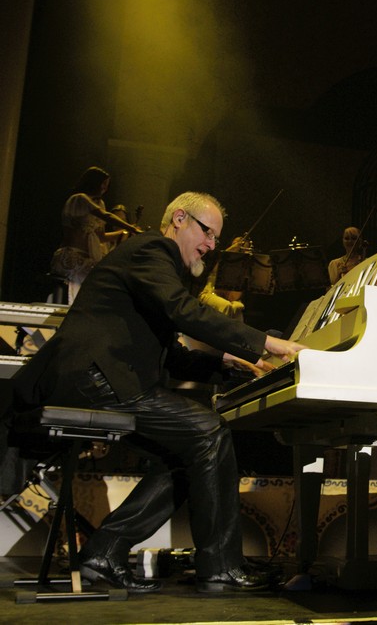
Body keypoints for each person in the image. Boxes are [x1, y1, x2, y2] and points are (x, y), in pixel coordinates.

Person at [12, 191, 307, 594]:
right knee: (209, 431)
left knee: (189, 451)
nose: (211, 245)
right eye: (208, 232)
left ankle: (104, 553)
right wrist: (268, 343)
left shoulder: (155, 267)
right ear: (180, 219)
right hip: (96, 377)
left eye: (216, 238)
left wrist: (225, 363)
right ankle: (222, 566)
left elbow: (170, 356)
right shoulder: (152, 249)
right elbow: (182, 310)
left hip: (104, 378)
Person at [50, 166, 142, 303]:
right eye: (103, 183)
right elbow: (105, 215)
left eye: (107, 184)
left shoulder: (99, 203)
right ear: (94, 182)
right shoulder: (79, 199)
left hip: (87, 260)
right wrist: (130, 228)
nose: (105, 187)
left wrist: (127, 231)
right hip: (71, 257)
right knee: (103, 280)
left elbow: (102, 237)